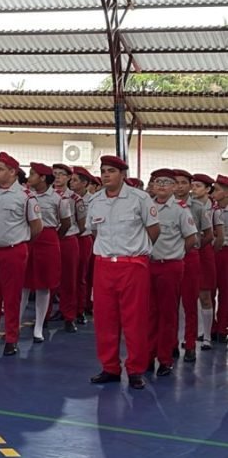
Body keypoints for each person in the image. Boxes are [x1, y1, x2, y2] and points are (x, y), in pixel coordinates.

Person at [88, 155, 159, 390]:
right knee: (105, 319)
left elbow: (154, 230)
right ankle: (110, 367)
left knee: (134, 319)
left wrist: (136, 252)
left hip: (133, 265)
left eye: (111, 171)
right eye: (103, 171)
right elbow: (94, 232)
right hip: (104, 265)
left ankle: (136, 369)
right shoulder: (96, 201)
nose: (105, 175)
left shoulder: (140, 199)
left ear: (122, 174)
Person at [0, 151, 42, 356]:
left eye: (0, 169)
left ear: (13, 172)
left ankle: (11, 339)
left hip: (13, 251)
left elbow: (37, 226)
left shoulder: (26, 196)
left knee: (12, 297)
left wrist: (21, 241)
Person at [148, 169, 197, 377]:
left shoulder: (180, 210)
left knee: (168, 313)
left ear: (174, 188)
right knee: (149, 314)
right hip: (148, 265)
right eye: (158, 182)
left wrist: (175, 254)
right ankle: (148, 357)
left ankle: (165, 359)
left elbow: (191, 239)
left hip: (170, 265)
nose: (161, 186)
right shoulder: (146, 207)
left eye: (167, 183)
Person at [20, 163, 69, 342]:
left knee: (44, 285)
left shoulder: (58, 198)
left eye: (33, 174)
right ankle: (15, 324)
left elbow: (66, 223)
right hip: (28, 238)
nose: (29, 177)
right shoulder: (25, 195)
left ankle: (39, 326)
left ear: (42, 178)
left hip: (48, 240)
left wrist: (54, 238)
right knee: (23, 285)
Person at [173, 169, 213, 362]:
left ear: (189, 186)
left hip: (190, 257)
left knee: (190, 303)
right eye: (176, 182)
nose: (179, 186)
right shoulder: (162, 205)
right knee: (170, 304)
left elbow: (209, 235)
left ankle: (190, 345)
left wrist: (194, 247)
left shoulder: (198, 208)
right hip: (170, 258)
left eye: (183, 183)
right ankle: (170, 343)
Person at [52, 163, 85, 332]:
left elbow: (82, 223)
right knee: (49, 280)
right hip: (50, 240)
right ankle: (46, 313)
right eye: (55, 173)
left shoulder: (75, 198)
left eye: (61, 174)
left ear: (68, 178)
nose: (57, 177)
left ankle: (69, 316)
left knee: (69, 280)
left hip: (67, 239)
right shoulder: (44, 195)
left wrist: (70, 234)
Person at [191, 173, 217, 348]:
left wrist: (200, 242)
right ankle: (195, 333)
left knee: (205, 294)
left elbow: (213, 234)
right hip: (189, 251)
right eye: (193, 185)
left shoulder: (213, 209)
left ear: (208, 189)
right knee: (188, 295)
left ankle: (207, 336)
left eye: (198, 186)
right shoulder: (188, 206)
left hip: (205, 251)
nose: (194, 189)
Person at [70, 166, 94, 325]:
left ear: (84, 183)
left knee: (82, 276)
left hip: (84, 239)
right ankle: (68, 309)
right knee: (69, 277)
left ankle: (81, 309)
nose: (71, 183)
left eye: (75, 180)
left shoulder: (93, 200)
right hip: (71, 238)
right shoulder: (67, 197)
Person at [212, 175, 228, 342]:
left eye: (216, 190)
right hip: (212, 251)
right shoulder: (211, 209)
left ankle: (222, 327)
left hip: (226, 252)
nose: (213, 192)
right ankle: (211, 326)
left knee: (225, 291)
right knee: (208, 290)